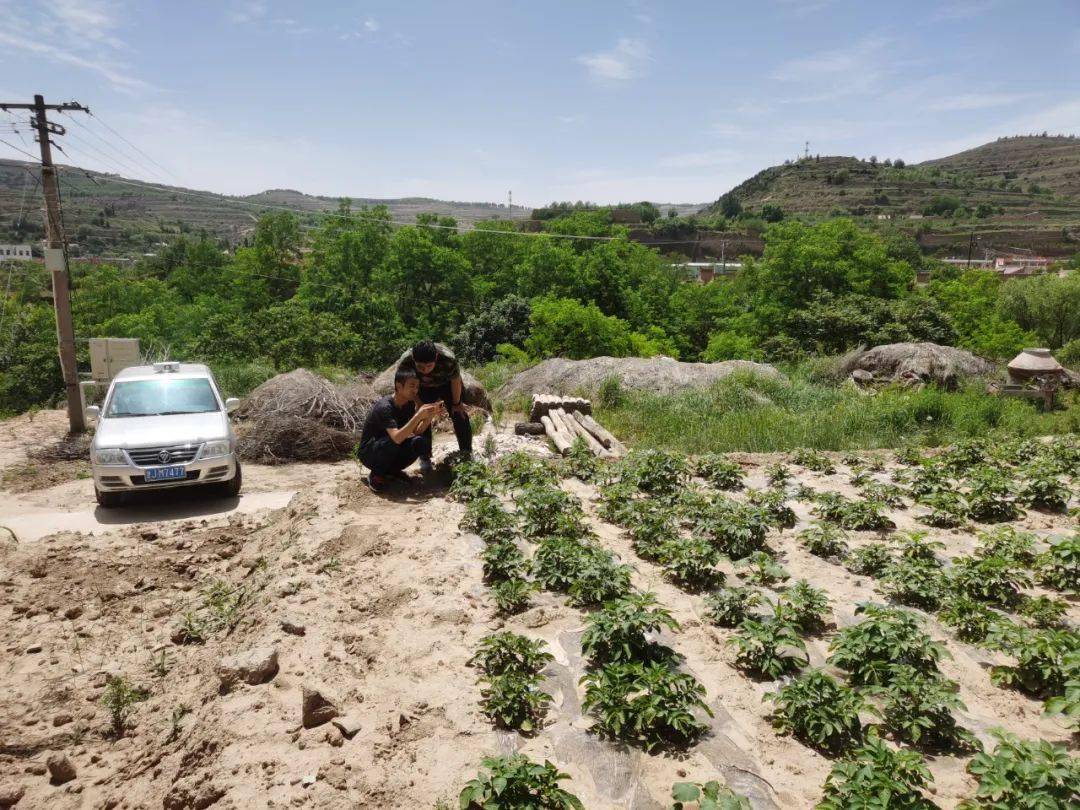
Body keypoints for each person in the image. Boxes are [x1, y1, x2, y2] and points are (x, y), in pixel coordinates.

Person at [358, 367, 444, 492]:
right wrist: (418, 415)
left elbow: (416, 432)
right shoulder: (385, 407)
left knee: (419, 442)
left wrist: (430, 416)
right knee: (393, 441)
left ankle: (393, 471)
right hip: (370, 453)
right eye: (412, 386)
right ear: (399, 386)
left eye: (417, 387)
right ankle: (377, 474)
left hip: (389, 445)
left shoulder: (408, 404)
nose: (415, 390)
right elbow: (397, 437)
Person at [394, 339, 473, 470]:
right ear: (414, 359)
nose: (425, 370)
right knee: (422, 417)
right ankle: (425, 457)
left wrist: (457, 403)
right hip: (422, 388)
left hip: (446, 384)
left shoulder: (448, 359)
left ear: (436, 357)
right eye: (420, 367)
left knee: (459, 414)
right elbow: (407, 386)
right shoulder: (406, 362)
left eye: (429, 366)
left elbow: (455, 381)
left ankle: (466, 453)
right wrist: (418, 403)